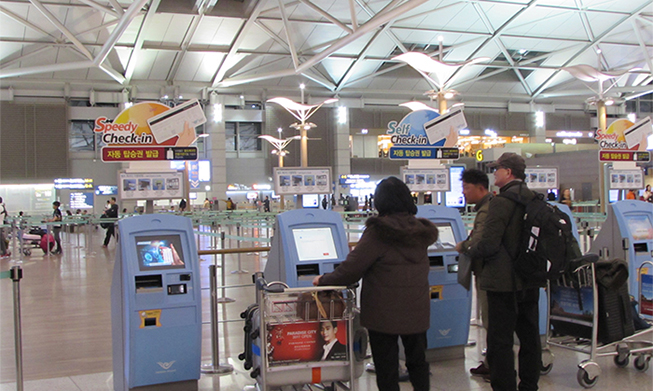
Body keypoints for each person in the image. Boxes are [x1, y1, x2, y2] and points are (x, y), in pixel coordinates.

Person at [312, 176, 438, 391]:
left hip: (383, 313)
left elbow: (352, 269)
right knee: (418, 362)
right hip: (416, 309)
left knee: (386, 367)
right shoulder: (419, 230)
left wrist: (323, 280)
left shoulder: (379, 231)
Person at [464, 152, 541, 391]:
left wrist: (468, 248)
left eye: (497, 169)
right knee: (529, 337)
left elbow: (488, 244)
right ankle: (529, 385)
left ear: (508, 173)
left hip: (502, 282)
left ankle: (504, 386)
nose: (493, 173)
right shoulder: (536, 199)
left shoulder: (500, 202)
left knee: (500, 340)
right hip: (530, 279)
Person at [455, 169, 493, 378]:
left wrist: (463, 246)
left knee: (490, 320)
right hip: (488, 272)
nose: (464, 193)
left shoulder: (487, 210)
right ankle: (491, 361)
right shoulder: (486, 208)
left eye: (466, 188)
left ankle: (493, 364)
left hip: (489, 273)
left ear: (480, 188)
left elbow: (479, 242)